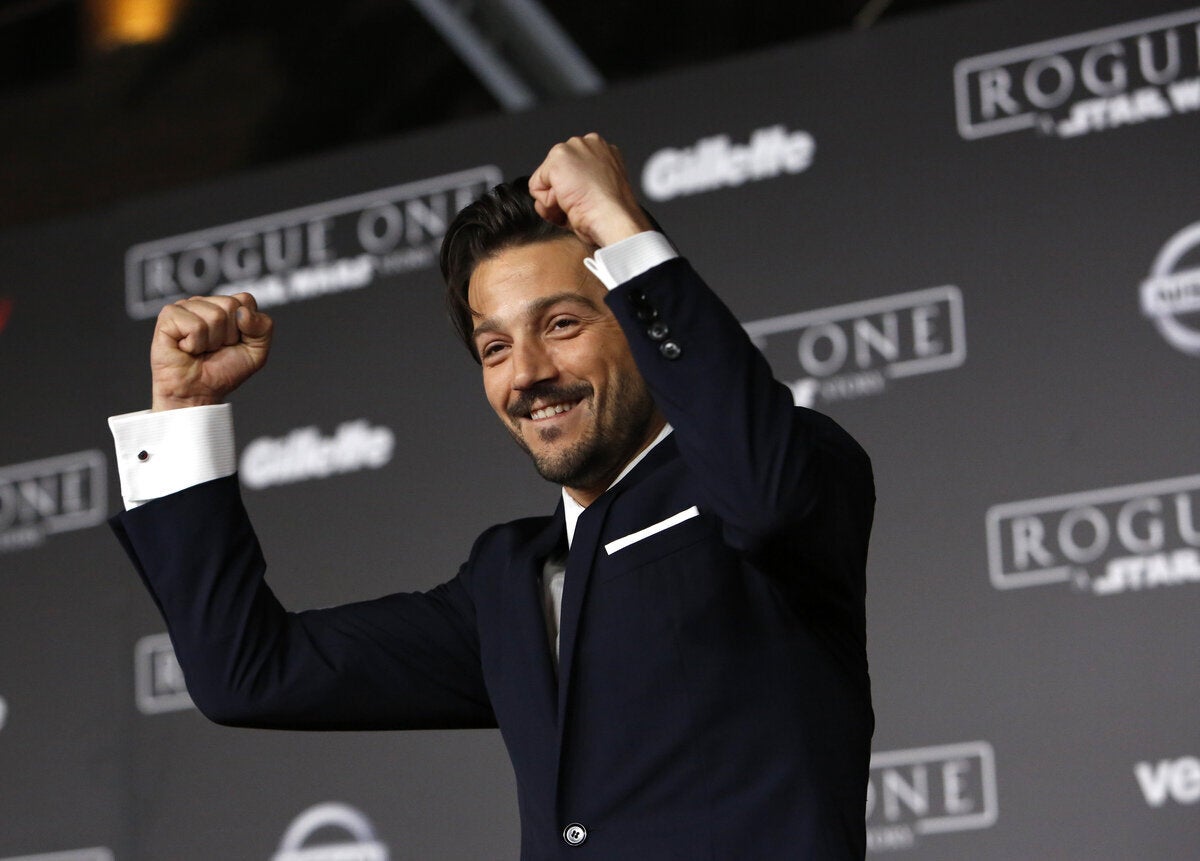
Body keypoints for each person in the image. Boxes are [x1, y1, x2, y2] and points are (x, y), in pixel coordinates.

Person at [109, 134, 876, 859]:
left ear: (637, 322)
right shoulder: (506, 582)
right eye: (495, 347)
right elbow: (248, 673)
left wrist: (621, 226)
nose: (527, 374)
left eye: (563, 323)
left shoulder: (785, 472)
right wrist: (183, 416)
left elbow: (766, 499)